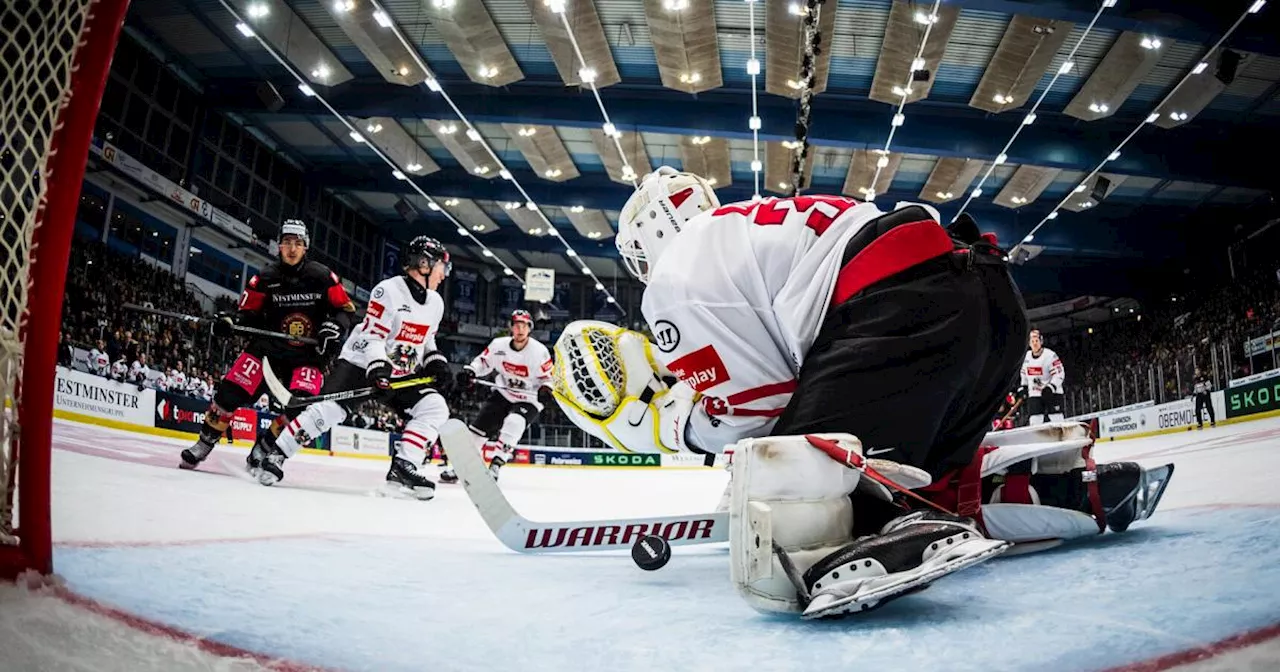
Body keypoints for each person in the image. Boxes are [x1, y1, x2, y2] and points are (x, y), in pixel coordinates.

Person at [550, 166, 1168, 619]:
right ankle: (1058, 488)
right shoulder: (749, 229)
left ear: (650, 237)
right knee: (921, 480)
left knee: (787, 518)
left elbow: (754, 416)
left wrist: (670, 425)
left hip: (904, 315)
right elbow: (803, 382)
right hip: (989, 303)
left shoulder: (677, 278)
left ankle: (874, 535)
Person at [257, 236, 453, 500]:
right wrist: (377, 369)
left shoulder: (436, 303)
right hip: (362, 362)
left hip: (400, 370)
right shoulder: (388, 291)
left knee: (435, 407)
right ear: (424, 263)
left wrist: (436, 361)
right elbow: (373, 338)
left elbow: (427, 339)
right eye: (443, 266)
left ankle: (404, 466)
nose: (445, 274)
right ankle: (277, 454)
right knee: (330, 411)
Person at [179, 220, 355, 471]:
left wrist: (335, 327)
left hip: (308, 356)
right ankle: (204, 444)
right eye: (287, 243)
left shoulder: (323, 276)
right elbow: (247, 313)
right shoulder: (265, 277)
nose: (292, 249)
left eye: (298, 243)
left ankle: (265, 446)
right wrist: (230, 321)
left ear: (306, 247)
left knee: (300, 408)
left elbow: (346, 310)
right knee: (228, 393)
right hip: (267, 351)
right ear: (279, 246)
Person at [445, 309, 554, 483]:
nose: (520, 329)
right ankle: (461, 467)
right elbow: (483, 362)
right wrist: (471, 371)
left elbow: (548, 377)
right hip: (503, 392)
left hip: (529, 398)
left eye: (524, 325)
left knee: (515, 422)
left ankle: (496, 464)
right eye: (516, 325)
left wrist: (546, 389)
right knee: (477, 431)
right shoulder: (498, 345)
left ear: (530, 328)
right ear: (511, 327)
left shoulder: (539, 351)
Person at [1018, 328, 1065, 426]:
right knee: (1035, 420)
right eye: (1032, 341)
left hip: (1052, 393)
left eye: (1037, 341)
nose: (1035, 344)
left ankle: (1061, 437)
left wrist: (1051, 387)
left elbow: (1059, 374)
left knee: (1057, 419)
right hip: (1034, 393)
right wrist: (1024, 387)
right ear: (1029, 343)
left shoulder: (1050, 355)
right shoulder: (1026, 357)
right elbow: (1024, 374)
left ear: (1041, 341)